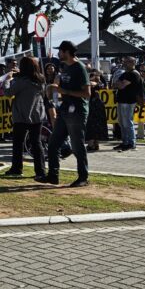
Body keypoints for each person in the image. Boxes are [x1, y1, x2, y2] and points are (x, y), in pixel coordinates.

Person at [43, 41, 91, 187]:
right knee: (53, 144)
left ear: (67, 52)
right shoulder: (65, 67)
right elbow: (61, 87)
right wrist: (53, 88)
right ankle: (53, 176)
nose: (58, 54)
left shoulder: (79, 68)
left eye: (60, 51)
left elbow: (87, 93)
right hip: (64, 110)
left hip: (77, 112)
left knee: (77, 146)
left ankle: (83, 177)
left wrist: (66, 92)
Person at [2, 57, 46, 179]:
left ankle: (17, 168)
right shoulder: (40, 80)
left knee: (18, 143)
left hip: (21, 115)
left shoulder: (22, 81)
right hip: (37, 114)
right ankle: (40, 171)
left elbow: (8, 93)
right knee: (36, 143)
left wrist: (8, 79)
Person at [113, 57, 142, 152]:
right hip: (121, 100)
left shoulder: (134, 74)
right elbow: (114, 83)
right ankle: (125, 142)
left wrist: (119, 83)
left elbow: (121, 85)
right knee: (121, 123)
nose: (125, 63)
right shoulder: (125, 73)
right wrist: (119, 83)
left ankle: (131, 143)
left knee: (127, 122)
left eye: (127, 62)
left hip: (129, 101)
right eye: (124, 62)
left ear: (133, 62)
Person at [85, 70, 109, 152]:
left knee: (95, 124)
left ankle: (94, 143)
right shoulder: (91, 83)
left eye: (97, 76)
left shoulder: (99, 84)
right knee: (92, 124)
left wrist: (95, 81)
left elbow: (102, 86)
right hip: (92, 104)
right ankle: (93, 143)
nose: (95, 77)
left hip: (96, 105)